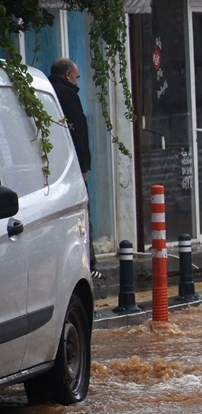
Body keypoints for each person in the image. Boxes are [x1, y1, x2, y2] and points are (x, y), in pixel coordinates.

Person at [50, 57, 101, 279]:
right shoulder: (69, 95)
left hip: (53, 164)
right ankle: (88, 263)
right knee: (82, 214)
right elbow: (79, 132)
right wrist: (84, 166)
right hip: (72, 165)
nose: (77, 81)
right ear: (68, 74)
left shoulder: (47, 92)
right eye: (76, 76)